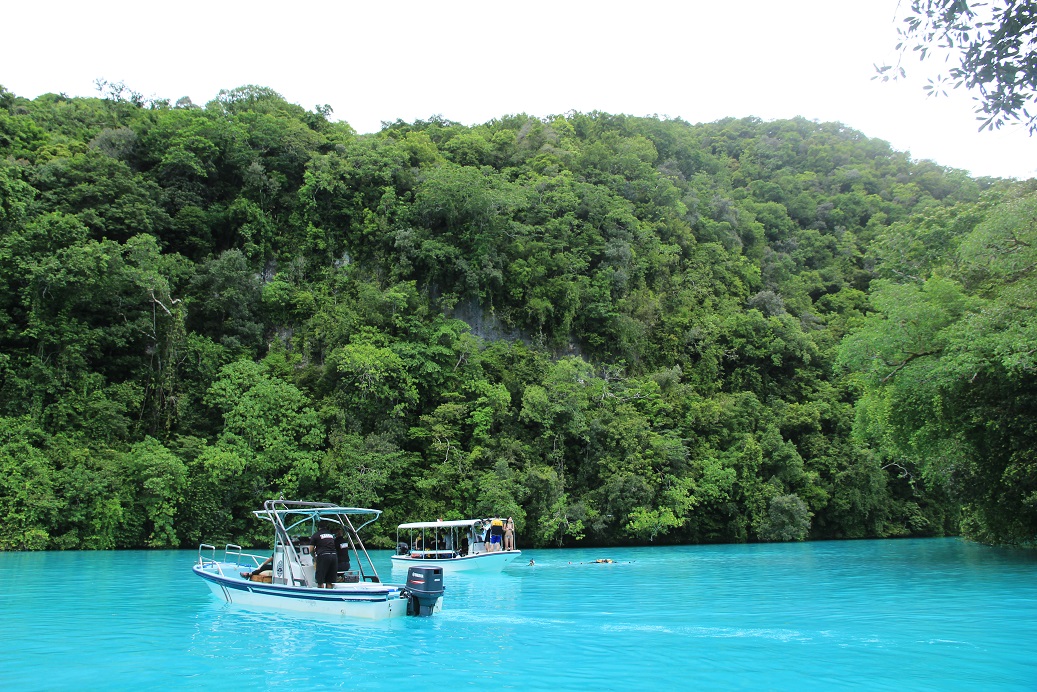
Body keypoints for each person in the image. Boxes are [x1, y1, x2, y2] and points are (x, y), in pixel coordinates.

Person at [310, 524, 338, 589]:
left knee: (320, 581)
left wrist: (314, 557)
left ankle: (320, 595)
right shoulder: (331, 535)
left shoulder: (315, 535)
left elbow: (310, 549)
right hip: (334, 556)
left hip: (323, 556)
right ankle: (330, 595)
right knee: (330, 581)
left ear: (318, 528)